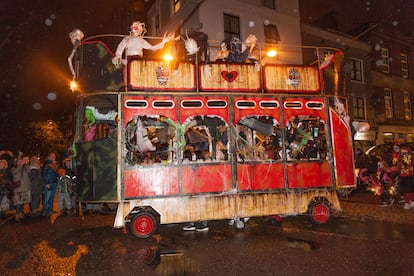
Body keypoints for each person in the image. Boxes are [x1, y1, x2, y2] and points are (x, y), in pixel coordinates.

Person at [11, 156, 32, 221]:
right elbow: (16, 172)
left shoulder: (25, 167)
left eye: (21, 161)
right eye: (19, 161)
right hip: (18, 188)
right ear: (16, 162)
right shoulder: (13, 169)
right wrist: (21, 165)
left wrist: (26, 164)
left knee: (23, 201)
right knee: (18, 202)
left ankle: (20, 213)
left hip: (25, 187)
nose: (20, 162)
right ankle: (17, 214)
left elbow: (29, 171)